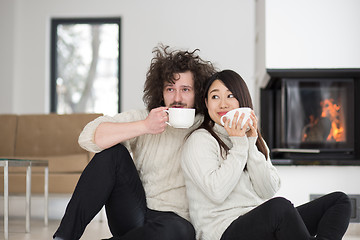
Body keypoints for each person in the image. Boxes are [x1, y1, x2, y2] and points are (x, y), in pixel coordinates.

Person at [53, 45, 216, 240]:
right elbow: (88, 137)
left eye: (185, 89)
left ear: (197, 93)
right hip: (134, 212)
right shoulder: (146, 118)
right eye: (170, 89)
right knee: (112, 153)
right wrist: (145, 126)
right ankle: (63, 238)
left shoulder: (206, 126)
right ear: (161, 92)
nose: (177, 97)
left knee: (182, 231)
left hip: (174, 221)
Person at [181, 69, 352, 240]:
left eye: (230, 96)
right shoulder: (200, 140)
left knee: (339, 202)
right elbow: (217, 192)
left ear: (242, 100)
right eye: (215, 97)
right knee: (280, 208)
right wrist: (239, 145)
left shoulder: (250, 138)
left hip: (260, 225)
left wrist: (250, 142)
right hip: (222, 231)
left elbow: (267, 190)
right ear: (206, 103)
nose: (223, 104)